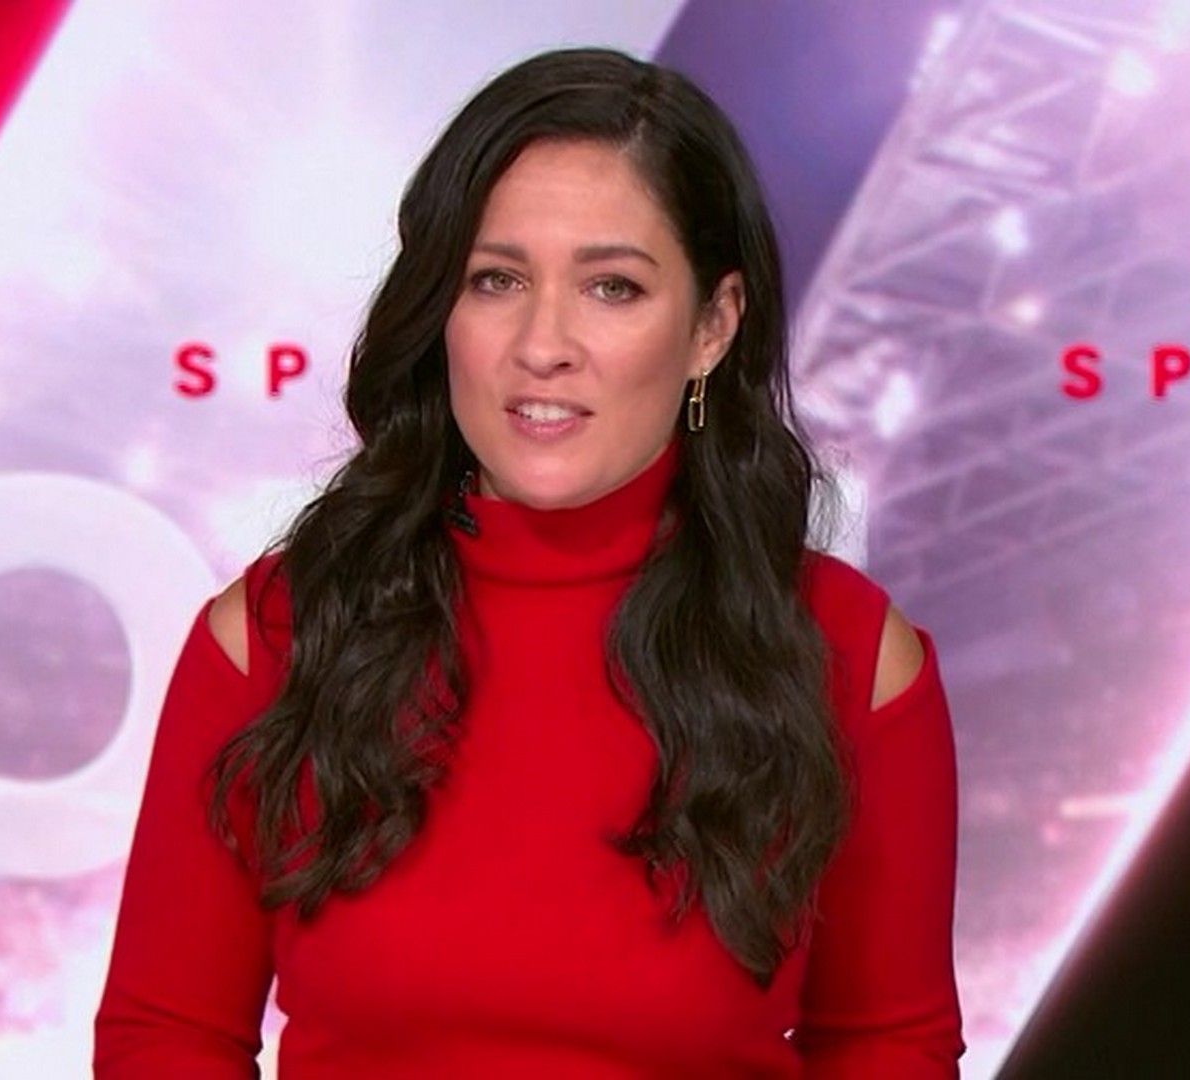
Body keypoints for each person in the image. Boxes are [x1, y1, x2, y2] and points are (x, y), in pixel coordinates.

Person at [94, 45, 965, 1078]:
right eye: (496, 280)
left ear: (712, 327)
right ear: (442, 312)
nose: (542, 344)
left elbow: (886, 1047)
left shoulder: (852, 657)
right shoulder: (275, 636)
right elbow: (168, 1036)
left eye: (612, 287)